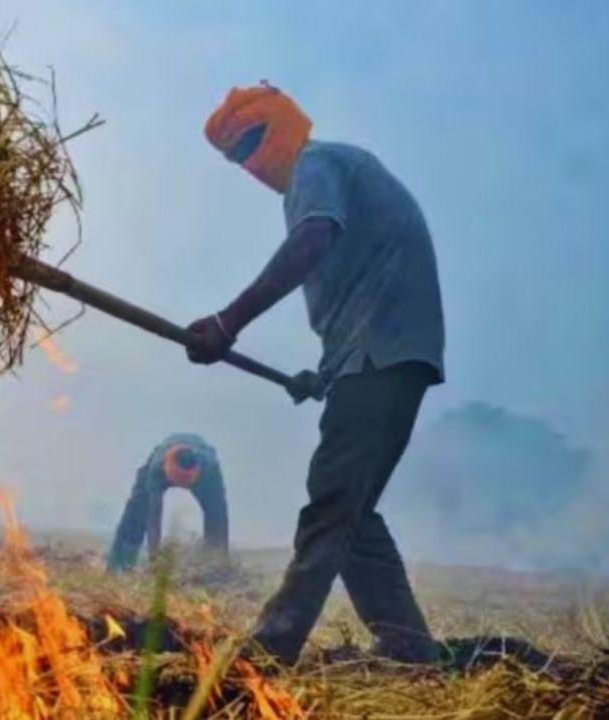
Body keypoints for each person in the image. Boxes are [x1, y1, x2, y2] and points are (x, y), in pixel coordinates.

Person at [184, 81, 445, 666]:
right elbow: (360, 287)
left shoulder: (317, 164)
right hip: (380, 358)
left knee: (330, 502)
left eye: (250, 143)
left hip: (380, 356)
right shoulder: (334, 169)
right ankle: (412, 654)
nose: (248, 163)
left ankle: (271, 649)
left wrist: (229, 321)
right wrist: (322, 378)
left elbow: (312, 240)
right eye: (235, 157)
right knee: (353, 514)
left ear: (281, 125)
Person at [106, 433, 228, 572]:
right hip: (163, 455)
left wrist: (219, 559)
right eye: (177, 480)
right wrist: (155, 559)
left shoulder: (209, 472)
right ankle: (119, 565)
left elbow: (219, 519)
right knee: (137, 512)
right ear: (168, 470)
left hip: (204, 466)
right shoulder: (157, 468)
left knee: (216, 518)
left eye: (185, 482)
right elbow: (153, 517)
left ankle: (215, 569)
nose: (180, 485)